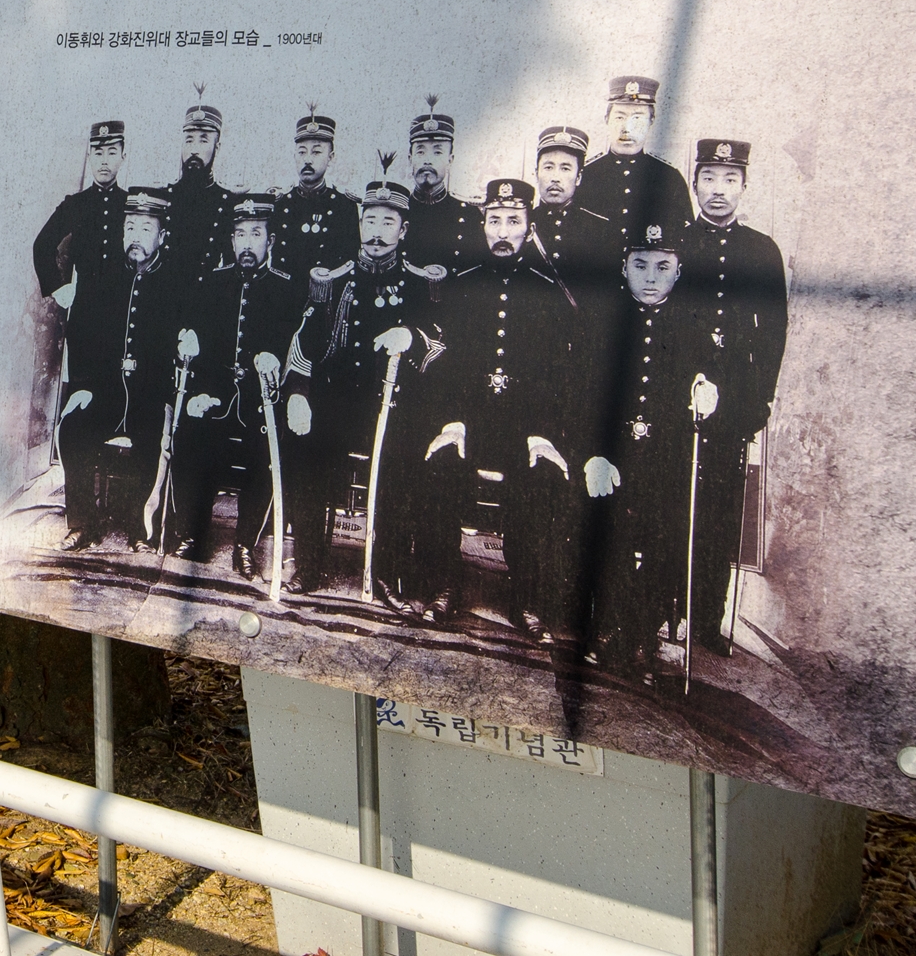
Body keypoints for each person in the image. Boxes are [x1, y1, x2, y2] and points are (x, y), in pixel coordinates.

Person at [427, 179, 582, 641]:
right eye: (494, 220)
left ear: (529, 227)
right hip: (470, 421)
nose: (502, 230)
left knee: (543, 478)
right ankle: (444, 585)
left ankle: (527, 599)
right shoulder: (462, 285)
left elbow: (558, 375)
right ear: (483, 225)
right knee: (440, 463)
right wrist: (454, 422)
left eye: (513, 221)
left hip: (525, 427)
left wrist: (542, 433)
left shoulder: (547, 290)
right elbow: (447, 363)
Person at [292, 155, 444, 608]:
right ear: (360, 225)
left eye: (388, 222)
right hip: (336, 404)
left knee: (402, 465)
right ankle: (308, 563)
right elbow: (304, 342)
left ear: (404, 229)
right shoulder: (333, 280)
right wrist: (299, 394)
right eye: (370, 220)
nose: (377, 232)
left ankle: (387, 572)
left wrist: (411, 336)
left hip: (392, 409)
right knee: (309, 452)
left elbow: (439, 344)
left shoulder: (419, 283)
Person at [578, 217, 721, 686]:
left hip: (667, 458)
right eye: (640, 265)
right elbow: (580, 396)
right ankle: (606, 629)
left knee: (664, 543)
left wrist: (709, 389)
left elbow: (713, 375)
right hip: (610, 455)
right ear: (624, 268)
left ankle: (642, 637)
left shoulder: (695, 326)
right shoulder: (601, 322)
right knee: (611, 539)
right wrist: (594, 454)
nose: (651, 277)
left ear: (679, 270)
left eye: (663, 266)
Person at [682, 138, 787, 655]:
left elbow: (773, 333)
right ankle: (667, 608)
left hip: (735, 402)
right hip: (679, 395)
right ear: (694, 182)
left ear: (745, 186)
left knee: (720, 514)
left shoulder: (761, 251)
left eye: (729, 180)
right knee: (674, 506)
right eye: (708, 178)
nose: (718, 190)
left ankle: (706, 618)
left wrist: (757, 402)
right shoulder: (677, 242)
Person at [56, 183, 191, 552]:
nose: (135, 237)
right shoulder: (103, 278)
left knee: (154, 442)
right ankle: (83, 523)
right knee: (73, 427)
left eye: (146, 229)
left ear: (162, 236)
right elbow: (81, 334)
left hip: (152, 394)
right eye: (129, 227)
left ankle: (141, 529)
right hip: (105, 391)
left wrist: (188, 336)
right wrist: (82, 385)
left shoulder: (177, 283)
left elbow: (189, 334)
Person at [178, 195, 304, 575]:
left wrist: (274, 359)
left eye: (256, 234)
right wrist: (199, 389)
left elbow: (292, 348)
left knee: (263, 454)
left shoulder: (287, 290)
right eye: (241, 235)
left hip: (260, 399)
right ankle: (193, 533)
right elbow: (197, 341)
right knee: (192, 435)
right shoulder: (212, 284)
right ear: (232, 241)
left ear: (270, 240)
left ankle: (246, 544)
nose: (247, 244)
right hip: (215, 392)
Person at [34, 121, 133, 547]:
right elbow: (42, 246)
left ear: (123, 156)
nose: (105, 161)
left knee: (123, 412)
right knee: (79, 422)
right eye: (98, 152)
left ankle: (130, 519)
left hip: (128, 327)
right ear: (90, 157)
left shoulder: (133, 204)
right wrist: (59, 288)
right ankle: (82, 522)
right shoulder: (75, 205)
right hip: (87, 330)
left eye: (112, 152)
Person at [577, 77, 692, 253]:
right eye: (619, 117)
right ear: (607, 119)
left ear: (651, 121)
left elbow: (685, 241)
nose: (627, 128)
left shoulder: (669, 177)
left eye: (637, 118)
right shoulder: (584, 175)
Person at [527, 124, 615, 303]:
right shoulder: (522, 225)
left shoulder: (601, 229)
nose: (555, 178)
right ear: (536, 174)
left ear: (579, 177)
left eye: (565, 168)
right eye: (548, 167)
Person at [275, 106, 359, 283]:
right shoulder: (280, 204)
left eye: (317, 152)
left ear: (331, 157)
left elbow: (350, 264)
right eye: (302, 152)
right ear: (294, 156)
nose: (307, 159)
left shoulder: (344, 206)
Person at [400, 98, 477, 275]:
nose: (427, 160)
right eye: (420, 151)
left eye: (437, 152)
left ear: (450, 160)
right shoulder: (396, 213)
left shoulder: (469, 216)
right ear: (410, 159)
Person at [168, 102, 234, 280]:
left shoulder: (228, 202)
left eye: (203, 141)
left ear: (217, 148)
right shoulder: (165, 198)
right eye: (189, 140)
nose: (194, 150)